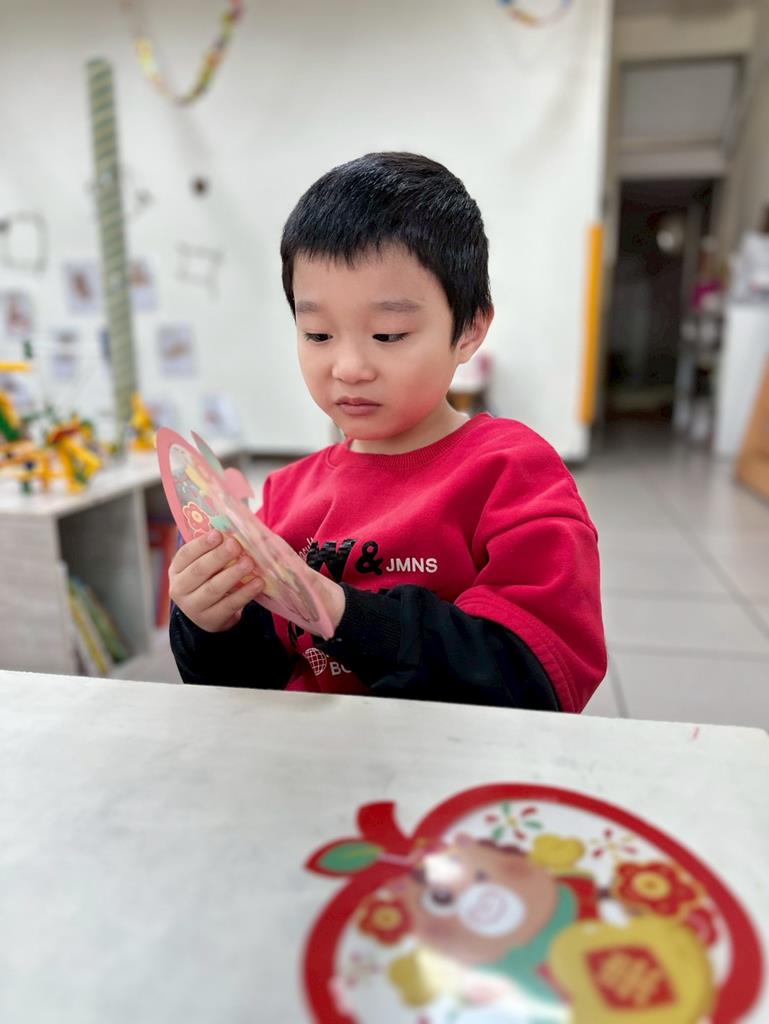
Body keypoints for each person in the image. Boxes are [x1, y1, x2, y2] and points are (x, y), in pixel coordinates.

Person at [169, 152, 606, 712]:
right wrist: (211, 624)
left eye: (389, 335)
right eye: (318, 334)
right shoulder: (284, 496)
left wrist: (344, 613)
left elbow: (534, 677)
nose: (349, 367)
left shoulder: (513, 473)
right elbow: (255, 692)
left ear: (469, 329)